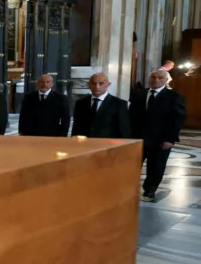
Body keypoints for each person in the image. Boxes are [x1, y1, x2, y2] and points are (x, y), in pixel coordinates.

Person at [130, 68, 187, 201]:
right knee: (132, 165)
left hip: (161, 140)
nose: (156, 80)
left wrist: (170, 139)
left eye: (160, 78)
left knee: (156, 167)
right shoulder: (139, 94)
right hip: (138, 138)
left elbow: (177, 119)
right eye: (153, 77)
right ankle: (129, 188)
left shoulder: (174, 97)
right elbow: (131, 115)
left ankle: (149, 191)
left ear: (166, 80)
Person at [71, 72, 130, 139]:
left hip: (108, 146)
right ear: (89, 85)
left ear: (108, 84)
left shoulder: (119, 104)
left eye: (101, 83)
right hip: (84, 145)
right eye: (94, 83)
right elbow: (76, 128)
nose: (97, 87)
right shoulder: (80, 103)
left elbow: (124, 131)